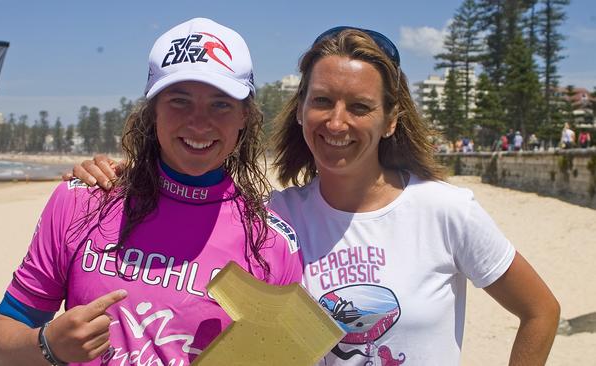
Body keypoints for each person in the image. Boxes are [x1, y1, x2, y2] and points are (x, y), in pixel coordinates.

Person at [70, 27, 560, 365]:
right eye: (322, 101)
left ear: (391, 119)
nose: (337, 122)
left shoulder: (445, 211)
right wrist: (121, 178)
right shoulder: (272, 222)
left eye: (361, 106)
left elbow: (540, 312)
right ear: (300, 111)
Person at [0, 18, 303, 366]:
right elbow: (1, 345)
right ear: (152, 112)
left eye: (220, 104)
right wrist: (47, 346)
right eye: (179, 101)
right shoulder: (81, 201)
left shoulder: (271, 241)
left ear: (245, 115)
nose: (199, 122)